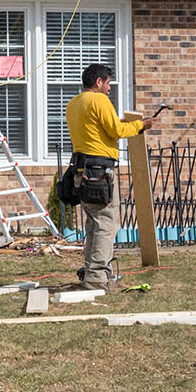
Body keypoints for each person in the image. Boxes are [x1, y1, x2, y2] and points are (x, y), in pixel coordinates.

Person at [62, 62, 155, 291]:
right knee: (105, 223)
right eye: (108, 83)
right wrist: (140, 125)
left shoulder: (73, 104)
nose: (109, 88)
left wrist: (124, 123)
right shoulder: (99, 100)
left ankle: (91, 272)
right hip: (100, 172)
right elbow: (115, 132)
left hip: (81, 171)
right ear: (98, 82)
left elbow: (100, 128)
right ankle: (96, 279)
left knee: (93, 223)